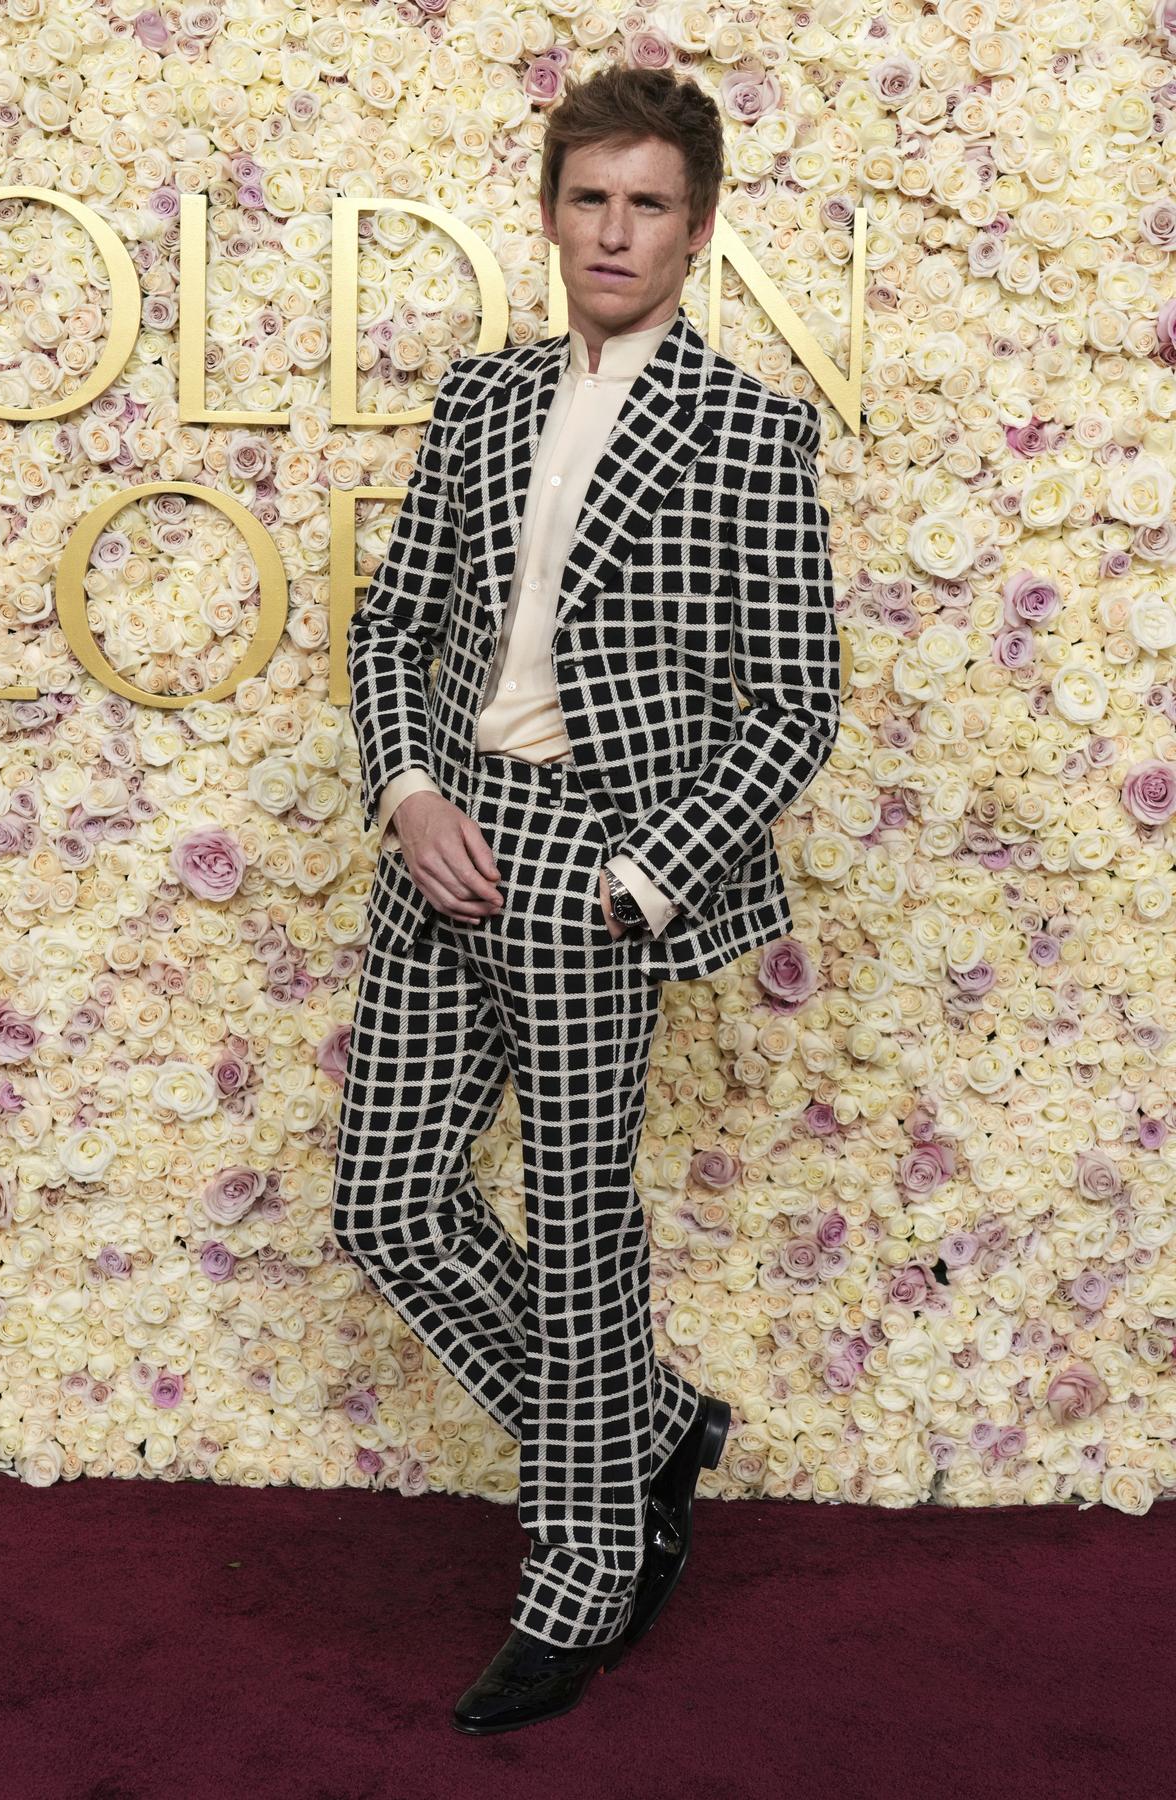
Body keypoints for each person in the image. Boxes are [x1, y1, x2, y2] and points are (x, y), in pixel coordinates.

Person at [333, 64, 839, 1735]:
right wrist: (407, 792)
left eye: (648, 207)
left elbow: (796, 705)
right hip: (443, 840)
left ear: (696, 234)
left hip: (598, 871)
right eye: (588, 199)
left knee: (576, 1223)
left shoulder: (750, 428)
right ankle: (643, 1431)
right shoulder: (478, 401)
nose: (613, 232)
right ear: (550, 212)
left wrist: (642, 876)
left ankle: (581, 1577)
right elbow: (397, 626)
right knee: (392, 1206)